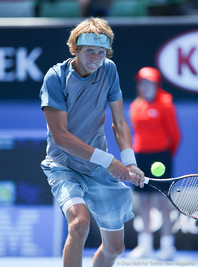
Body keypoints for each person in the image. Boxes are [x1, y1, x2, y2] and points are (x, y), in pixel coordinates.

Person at [39, 17, 144, 267]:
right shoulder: (55, 77)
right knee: (79, 223)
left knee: (115, 247)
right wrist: (109, 161)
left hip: (97, 168)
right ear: (75, 48)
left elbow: (119, 122)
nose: (96, 58)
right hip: (63, 166)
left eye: (101, 52)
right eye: (89, 51)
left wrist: (129, 162)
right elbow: (61, 137)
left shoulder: (109, 69)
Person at [128, 67, 181, 260]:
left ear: (156, 84)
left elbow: (175, 135)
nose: (145, 86)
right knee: (143, 202)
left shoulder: (166, 103)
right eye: (142, 82)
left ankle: (168, 246)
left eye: (149, 82)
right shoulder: (135, 106)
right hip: (141, 156)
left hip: (161, 157)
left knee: (161, 201)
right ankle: (146, 245)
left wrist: (166, 156)